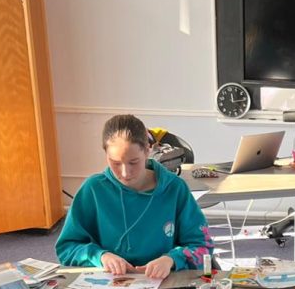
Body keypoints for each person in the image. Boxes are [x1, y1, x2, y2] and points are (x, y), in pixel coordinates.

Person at [56, 114, 212, 279]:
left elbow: (202, 247)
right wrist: (101, 256)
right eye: (115, 163)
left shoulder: (174, 188)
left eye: (133, 162)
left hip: (164, 284)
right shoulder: (93, 189)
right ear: (105, 154)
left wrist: (171, 259)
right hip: (109, 284)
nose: (125, 173)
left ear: (147, 150)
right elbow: (67, 248)